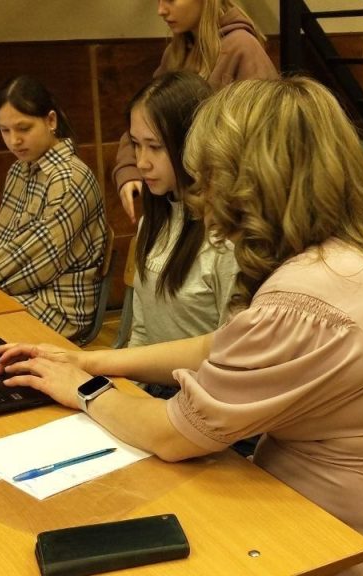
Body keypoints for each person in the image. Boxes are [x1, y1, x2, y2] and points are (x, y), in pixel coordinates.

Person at [0, 77, 363, 575]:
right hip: (354, 524)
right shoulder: (342, 259)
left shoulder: (308, 296)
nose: (200, 195)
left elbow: (172, 434)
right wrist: (91, 359)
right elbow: (222, 344)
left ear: (249, 182)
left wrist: (84, 389)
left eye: (209, 176)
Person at [0, 76, 110, 343]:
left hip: (59, 308)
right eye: (5, 131)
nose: (14, 141)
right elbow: (1, 241)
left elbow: (34, 263)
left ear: (51, 121)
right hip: (24, 292)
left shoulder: (70, 178)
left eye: (23, 128)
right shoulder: (18, 170)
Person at [124, 71, 238, 396]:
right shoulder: (153, 221)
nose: (141, 162)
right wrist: (125, 392)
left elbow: (234, 357)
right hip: (157, 386)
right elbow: (142, 332)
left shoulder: (224, 238)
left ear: (193, 145)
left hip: (206, 397)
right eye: (136, 145)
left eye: (155, 147)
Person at [113, 0, 277, 224]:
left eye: (171, 0)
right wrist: (128, 167)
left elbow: (268, 141)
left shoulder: (243, 48)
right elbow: (146, 117)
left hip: (228, 210)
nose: (161, 10)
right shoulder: (175, 53)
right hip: (184, 205)